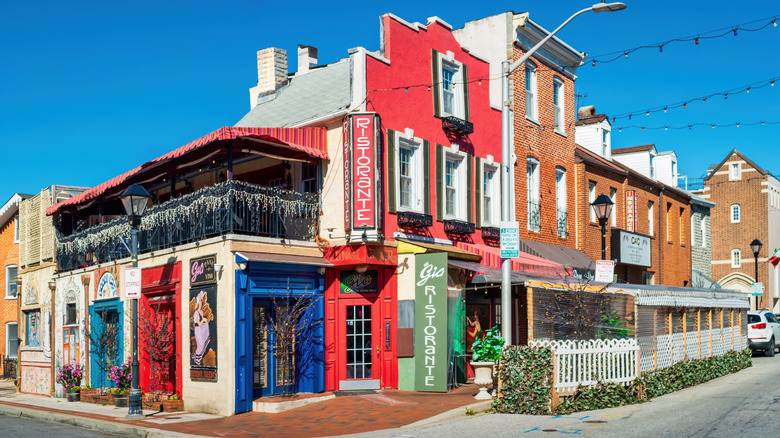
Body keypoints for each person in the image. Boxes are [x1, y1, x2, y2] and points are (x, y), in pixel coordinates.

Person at [191, 291, 211, 366]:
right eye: (199, 300)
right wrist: (203, 320)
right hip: (198, 330)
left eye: (201, 300)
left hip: (201, 330)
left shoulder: (201, 313)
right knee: (200, 345)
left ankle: (195, 357)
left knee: (202, 345)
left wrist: (204, 321)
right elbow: (199, 324)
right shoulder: (196, 313)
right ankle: (196, 359)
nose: (201, 302)